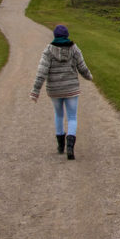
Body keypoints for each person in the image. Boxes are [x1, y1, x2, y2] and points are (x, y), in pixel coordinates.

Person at [29, 24, 93, 160]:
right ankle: (70, 146)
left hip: (54, 89)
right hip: (71, 88)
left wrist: (35, 91)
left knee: (58, 115)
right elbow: (82, 67)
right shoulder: (74, 49)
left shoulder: (48, 50)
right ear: (67, 35)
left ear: (55, 36)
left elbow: (42, 72)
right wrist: (89, 77)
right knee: (72, 117)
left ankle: (60, 146)